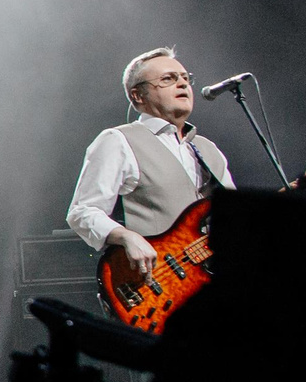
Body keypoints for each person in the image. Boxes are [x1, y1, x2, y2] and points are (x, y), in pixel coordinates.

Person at [66, 47, 236, 284]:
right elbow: (83, 211)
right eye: (168, 79)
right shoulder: (118, 140)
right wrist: (126, 237)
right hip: (157, 282)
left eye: (185, 78)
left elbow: (236, 218)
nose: (183, 84)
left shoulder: (208, 149)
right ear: (138, 95)